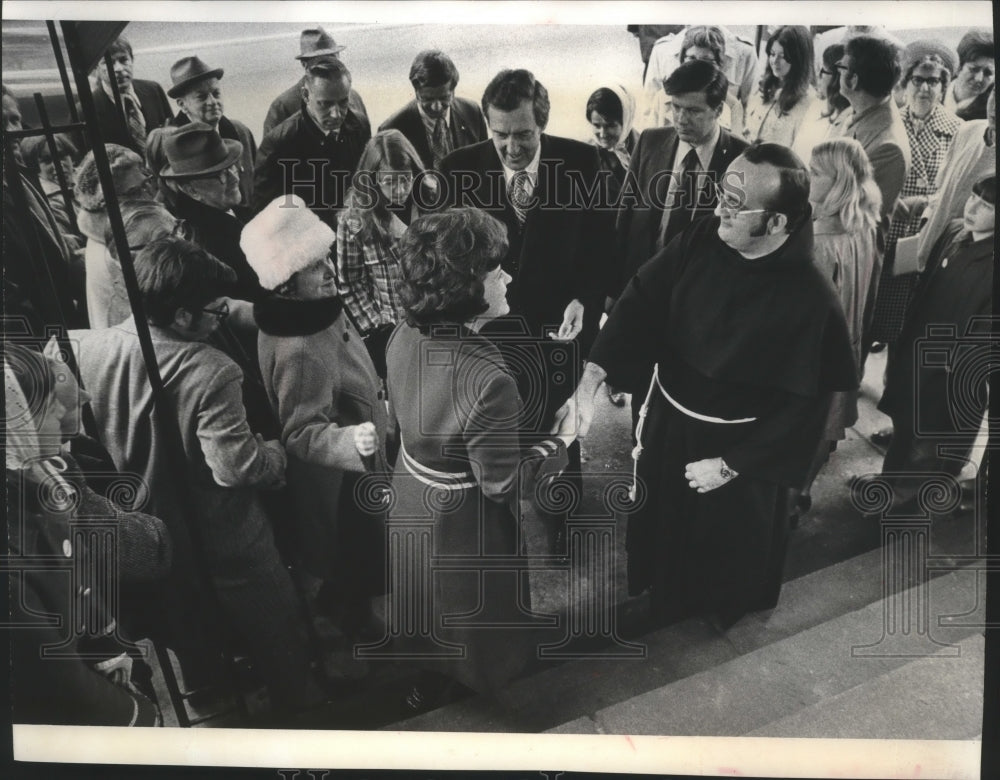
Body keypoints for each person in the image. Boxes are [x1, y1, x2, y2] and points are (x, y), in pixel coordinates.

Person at [558, 143, 856, 627]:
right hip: (671, 425)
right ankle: (661, 591)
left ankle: (720, 608)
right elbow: (641, 300)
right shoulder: (703, 236)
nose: (719, 209)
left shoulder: (812, 299)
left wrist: (734, 465)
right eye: (723, 193)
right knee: (663, 531)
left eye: (736, 205)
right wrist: (592, 377)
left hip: (738, 452)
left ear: (778, 223)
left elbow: (806, 409)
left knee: (725, 551)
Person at [70, 236, 327, 717]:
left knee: (186, 631)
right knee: (277, 627)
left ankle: (212, 703)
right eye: (215, 311)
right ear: (184, 316)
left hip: (146, 527)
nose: (222, 319)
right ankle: (301, 707)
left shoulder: (89, 348)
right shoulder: (209, 370)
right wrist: (274, 453)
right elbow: (236, 467)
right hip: (222, 535)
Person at [386, 207, 574, 706]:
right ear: (465, 286)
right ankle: (478, 683)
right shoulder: (487, 378)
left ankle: (425, 677)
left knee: (422, 600)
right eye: (495, 270)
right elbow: (503, 485)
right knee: (471, 614)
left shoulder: (403, 333)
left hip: (410, 494)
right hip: (461, 524)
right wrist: (562, 440)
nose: (507, 276)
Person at [437, 69, 613, 553]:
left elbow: (602, 250)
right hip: (491, 333)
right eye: (500, 136)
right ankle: (501, 518)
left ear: (544, 122)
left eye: (524, 135)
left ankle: (561, 517)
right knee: (500, 429)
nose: (512, 147)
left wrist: (584, 298)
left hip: (560, 329)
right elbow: (449, 259)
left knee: (561, 431)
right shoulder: (457, 170)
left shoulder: (583, 162)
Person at [244, 195, 389, 648]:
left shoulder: (314, 309)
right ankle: (352, 628)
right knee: (356, 559)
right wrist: (353, 441)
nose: (330, 269)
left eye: (326, 257)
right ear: (286, 283)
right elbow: (300, 431)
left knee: (361, 557)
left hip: (353, 466)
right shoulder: (301, 347)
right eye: (314, 266)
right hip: (339, 481)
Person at [6, 341, 172, 726]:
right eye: (53, 407)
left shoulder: (41, 483)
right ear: (18, 424)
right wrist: (137, 717)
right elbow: (57, 678)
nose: (71, 406)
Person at [875, 175, 994, 512]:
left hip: (950, 369)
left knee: (930, 440)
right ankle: (888, 481)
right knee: (905, 424)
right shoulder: (955, 231)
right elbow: (924, 289)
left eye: (987, 206)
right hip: (918, 350)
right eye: (973, 198)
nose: (973, 208)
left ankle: (907, 496)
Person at [794, 138, 882, 519]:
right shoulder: (865, 226)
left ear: (838, 183)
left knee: (801, 430)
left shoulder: (819, 243)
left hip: (812, 360)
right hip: (848, 348)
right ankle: (803, 492)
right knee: (823, 429)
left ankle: (789, 502)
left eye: (814, 173)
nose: (805, 177)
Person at [615, 60, 748, 300]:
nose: (681, 119)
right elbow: (624, 219)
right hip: (640, 290)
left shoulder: (743, 159)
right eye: (675, 107)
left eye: (693, 111)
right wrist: (614, 291)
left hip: (702, 300)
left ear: (718, 110)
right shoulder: (649, 143)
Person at [868, 41, 962, 350]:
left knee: (910, 322)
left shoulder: (957, 129)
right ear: (905, 83)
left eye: (933, 81)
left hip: (926, 234)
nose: (924, 88)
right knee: (872, 313)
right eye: (918, 79)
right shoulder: (890, 122)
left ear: (943, 86)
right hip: (888, 228)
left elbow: (953, 186)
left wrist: (926, 204)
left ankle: (893, 387)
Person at [336, 129, 427, 376]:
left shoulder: (432, 202)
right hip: (392, 333)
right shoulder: (354, 220)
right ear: (372, 179)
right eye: (389, 181)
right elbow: (350, 285)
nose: (400, 190)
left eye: (405, 179)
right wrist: (379, 329)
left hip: (437, 328)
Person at [3, 84, 87, 330]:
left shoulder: (20, 175)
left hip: (63, 313)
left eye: (14, 120)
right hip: (39, 329)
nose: (11, 131)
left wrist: (57, 241)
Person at [254, 59, 371, 229]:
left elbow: (365, 184)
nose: (336, 114)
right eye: (325, 104)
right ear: (306, 96)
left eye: (343, 102)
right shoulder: (278, 144)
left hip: (353, 235)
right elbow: (263, 216)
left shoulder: (359, 125)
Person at [158, 121, 259, 300]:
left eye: (232, 166)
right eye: (220, 174)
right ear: (191, 190)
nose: (234, 177)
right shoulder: (207, 244)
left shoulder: (232, 211)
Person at [146, 56, 257, 210]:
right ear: (182, 104)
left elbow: (255, 184)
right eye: (202, 97)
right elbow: (166, 200)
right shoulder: (171, 146)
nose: (212, 102)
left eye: (216, 93)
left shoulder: (240, 131)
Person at [72, 144, 159, 328]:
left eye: (146, 182)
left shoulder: (116, 228)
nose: (149, 196)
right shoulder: (124, 249)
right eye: (134, 192)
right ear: (106, 203)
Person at [916, 86, 995, 270]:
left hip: (972, 263)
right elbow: (941, 187)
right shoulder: (968, 130)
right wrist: (927, 220)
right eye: (994, 94)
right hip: (931, 245)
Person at [834, 35, 910, 223]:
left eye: (841, 68)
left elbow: (852, 219)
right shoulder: (853, 111)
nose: (838, 73)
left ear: (853, 80)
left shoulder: (888, 148)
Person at [379, 50, 488, 170]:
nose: (437, 107)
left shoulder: (472, 112)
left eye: (444, 98)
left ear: (453, 90)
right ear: (416, 92)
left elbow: (486, 165)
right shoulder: (392, 129)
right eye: (428, 99)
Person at [641, 25, 757, 131]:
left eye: (706, 60)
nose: (697, 66)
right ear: (682, 60)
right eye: (691, 58)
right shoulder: (663, 98)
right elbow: (649, 129)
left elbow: (737, 139)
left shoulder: (729, 104)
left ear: (717, 65)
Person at [263, 26, 369, 137]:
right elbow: (272, 152)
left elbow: (367, 147)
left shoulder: (354, 97)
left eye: (331, 58)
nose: (328, 66)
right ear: (304, 64)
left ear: (338, 57)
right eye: (320, 61)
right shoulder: (282, 107)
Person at [85, 36, 173, 155]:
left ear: (132, 59)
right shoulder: (87, 108)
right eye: (108, 62)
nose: (119, 68)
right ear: (96, 69)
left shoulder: (153, 90)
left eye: (123, 60)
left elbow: (172, 132)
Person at [742, 26, 817, 147]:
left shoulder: (809, 101)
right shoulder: (760, 84)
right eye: (772, 54)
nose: (775, 61)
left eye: (782, 56)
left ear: (798, 58)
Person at [18, 133, 83, 251]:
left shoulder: (87, 176)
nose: (58, 164)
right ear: (35, 167)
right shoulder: (48, 200)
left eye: (62, 156)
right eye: (47, 160)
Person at [791, 43, 852, 163]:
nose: (818, 77)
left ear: (837, 78)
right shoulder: (815, 107)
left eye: (823, 70)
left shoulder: (848, 121)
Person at [585, 85, 639, 205]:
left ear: (626, 122)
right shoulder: (584, 153)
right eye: (597, 126)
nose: (603, 134)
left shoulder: (646, 149)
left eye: (610, 125)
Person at [944, 31, 994, 119]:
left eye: (988, 73)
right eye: (974, 69)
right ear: (958, 67)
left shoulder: (991, 114)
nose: (979, 79)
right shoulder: (936, 90)